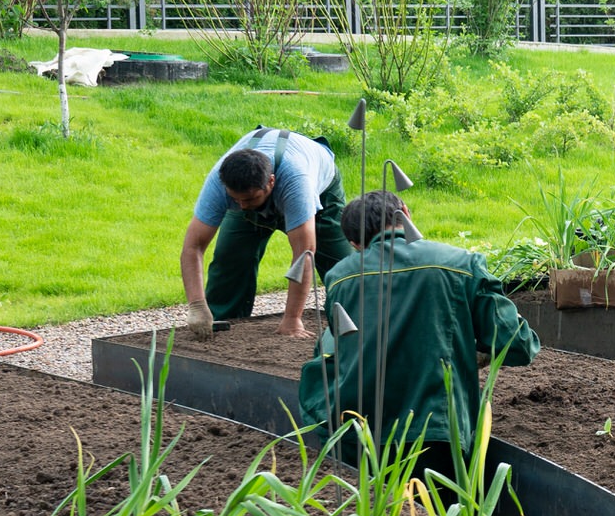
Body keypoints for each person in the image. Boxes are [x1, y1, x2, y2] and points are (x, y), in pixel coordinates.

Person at [298, 190, 539, 444]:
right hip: (440, 434)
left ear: (354, 244)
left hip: (362, 437)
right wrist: (472, 347)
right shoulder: (461, 263)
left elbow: (334, 354)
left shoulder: (340, 277)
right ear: (405, 213)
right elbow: (519, 344)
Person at [180, 128, 352, 338]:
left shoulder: (297, 182)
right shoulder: (221, 182)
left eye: (249, 200)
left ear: (271, 182)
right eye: (236, 199)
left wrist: (292, 319)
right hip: (256, 184)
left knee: (342, 267)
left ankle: (360, 321)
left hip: (320, 189)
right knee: (230, 257)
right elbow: (193, 246)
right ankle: (220, 323)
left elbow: (304, 254)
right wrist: (196, 306)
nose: (242, 206)